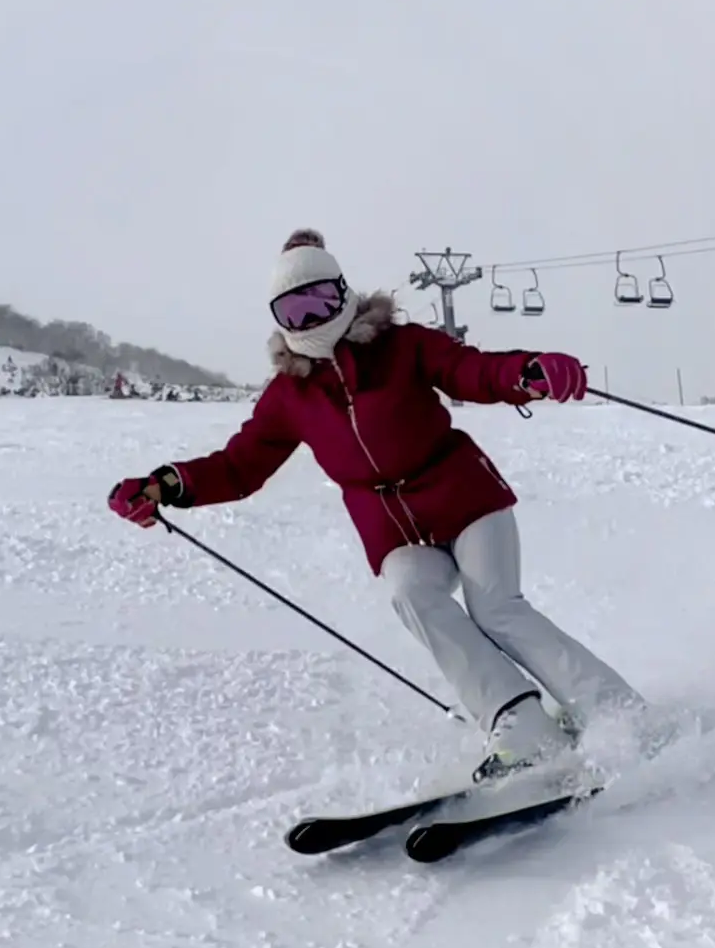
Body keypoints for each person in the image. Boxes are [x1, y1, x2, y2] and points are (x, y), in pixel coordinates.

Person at [109, 229, 644, 781]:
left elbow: (471, 369)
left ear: (344, 293)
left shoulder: (404, 346)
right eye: (293, 311)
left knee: (496, 608)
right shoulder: (288, 397)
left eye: (320, 300)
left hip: (464, 498)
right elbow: (240, 465)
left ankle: (613, 709)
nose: (310, 320)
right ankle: (520, 725)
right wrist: (167, 484)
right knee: (411, 594)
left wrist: (527, 372)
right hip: (393, 530)